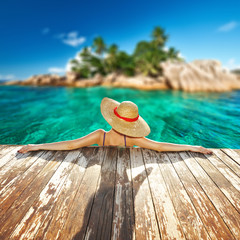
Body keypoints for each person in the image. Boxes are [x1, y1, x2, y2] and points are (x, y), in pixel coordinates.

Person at [18, 97, 213, 154]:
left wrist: (36, 146)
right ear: (133, 123)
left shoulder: (99, 136)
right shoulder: (134, 139)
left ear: (113, 118)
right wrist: (192, 147)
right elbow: (161, 146)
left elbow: (70, 144)